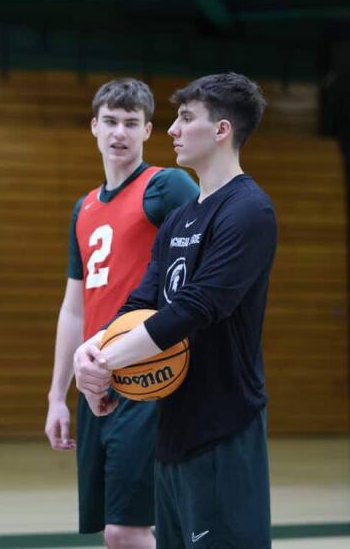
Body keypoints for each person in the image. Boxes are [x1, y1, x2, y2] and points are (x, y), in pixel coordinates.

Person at [73, 73, 277, 549]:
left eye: (186, 118)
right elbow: (141, 302)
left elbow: (197, 305)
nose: (172, 129)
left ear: (222, 130)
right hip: (169, 429)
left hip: (224, 426)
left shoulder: (249, 210)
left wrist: (107, 362)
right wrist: (90, 351)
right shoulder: (181, 219)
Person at [44, 78, 198, 548]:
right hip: (95, 379)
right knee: (113, 530)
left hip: (145, 372)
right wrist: (57, 395)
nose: (119, 133)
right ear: (94, 126)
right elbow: (74, 309)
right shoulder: (84, 208)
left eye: (131, 123)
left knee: (125, 529)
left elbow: (205, 261)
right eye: (110, 121)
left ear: (148, 130)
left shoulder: (167, 185)